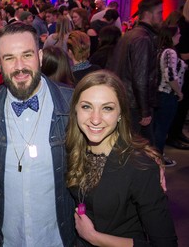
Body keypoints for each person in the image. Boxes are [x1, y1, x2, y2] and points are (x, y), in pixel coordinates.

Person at [0, 22, 75, 246]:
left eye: (27, 55)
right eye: (9, 58)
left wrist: (147, 159)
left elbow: (110, 140)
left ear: (40, 57)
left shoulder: (72, 103)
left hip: (58, 238)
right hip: (6, 238)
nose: (19, 66)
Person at [66, 70, 178, 246]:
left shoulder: (140, 166)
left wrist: (94, 237)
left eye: (107, 108)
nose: (95, 119)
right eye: (87, 106)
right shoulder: (71, 149)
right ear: (75, 109)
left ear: (120, 114)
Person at [111, 0, 164, 146]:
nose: (162, 17)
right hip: (134, 106)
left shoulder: (130, 35)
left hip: (126, 101)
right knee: (146, 151)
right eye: (159, 12)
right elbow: (140, 78)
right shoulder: (143, 38)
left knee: (130, 146)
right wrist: (145, 110)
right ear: (148, 14)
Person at [154, 25, 186, 166]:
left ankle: (155, 155)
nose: (180, 36)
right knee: (162, 129)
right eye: (178, 33)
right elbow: (170, 75)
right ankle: (158, 157)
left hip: (160, 94)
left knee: (158, 128)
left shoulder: (160, 50)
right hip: (167, 94)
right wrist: (179, 92)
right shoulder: (170, 52)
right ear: (171, 36)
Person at [167, 0, 189, 149]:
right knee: (180, 105)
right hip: (181, 73)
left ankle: (177, 132)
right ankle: (173, 135)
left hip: (183, 71)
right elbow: (183, 54)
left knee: (183, 106)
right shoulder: (183, 26)